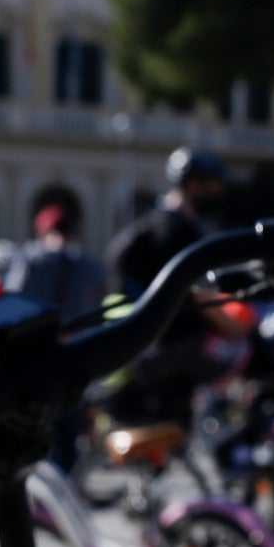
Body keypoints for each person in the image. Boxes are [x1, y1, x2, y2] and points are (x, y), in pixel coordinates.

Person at [103, 147, 242, 424]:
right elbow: (198, 293)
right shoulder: (178, 231)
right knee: (245, 355)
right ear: (193, 186)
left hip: (146, 344)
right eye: (213, 186)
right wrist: (237, 329)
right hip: (173, 345)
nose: (217, 193)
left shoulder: (151, 223)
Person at [5, 206, 106, 469]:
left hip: (35, 357)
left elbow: (13, 301)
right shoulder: (89, 264)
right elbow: (98, 305)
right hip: (76, 356)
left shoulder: (29, 258)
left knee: (34, 430)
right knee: (69, 429)